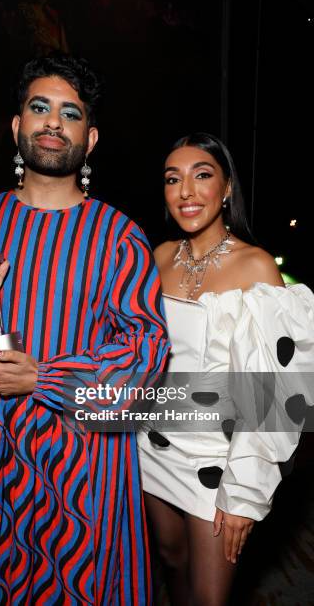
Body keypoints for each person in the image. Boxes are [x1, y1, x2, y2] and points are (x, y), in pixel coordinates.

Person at [0, 54, 170, 604]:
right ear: (17, 127)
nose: (53, 121)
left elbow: (146, 355)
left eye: (70, 113)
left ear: (90, 139)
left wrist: (44, 379)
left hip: (80, 468)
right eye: (40, 107)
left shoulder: (118, 235)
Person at [137, 132, 314, 605]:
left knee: (210, 598)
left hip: (219, 457)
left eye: (202, 175)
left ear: (228, 187)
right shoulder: (157, 258)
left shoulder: (255, 266)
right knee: (171, 565)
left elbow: (275, 395)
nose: (186, 192)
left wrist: (244, 493)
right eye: (173, 179)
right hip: (154, 445)